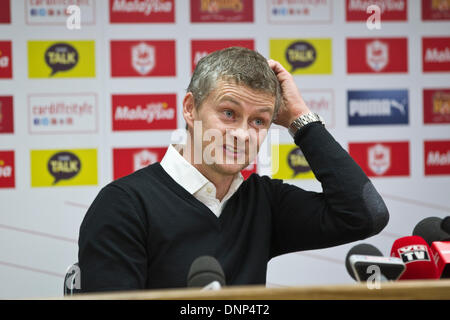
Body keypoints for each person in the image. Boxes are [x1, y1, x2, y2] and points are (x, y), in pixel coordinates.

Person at [78, 47, 389, 292]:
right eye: (229, 113)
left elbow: (365, 214)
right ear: (190, 108)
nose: (242, 134)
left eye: (259, 121)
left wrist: (300, 117)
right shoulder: (123, 205)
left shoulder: (264, 201)